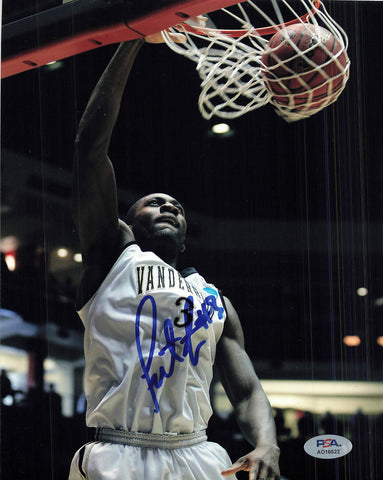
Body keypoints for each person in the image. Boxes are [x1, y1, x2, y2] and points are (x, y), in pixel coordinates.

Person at [69, 30, 280, 480]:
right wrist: (135, 37)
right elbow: (89, 150)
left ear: (185, 239)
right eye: (154, 202)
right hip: (120, 452)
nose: (168, 206)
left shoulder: (214, 300)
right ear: (125, 221)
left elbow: (246, 394)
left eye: (177, 207)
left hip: (198, 454)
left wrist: (266, 443)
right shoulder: (112, 257)